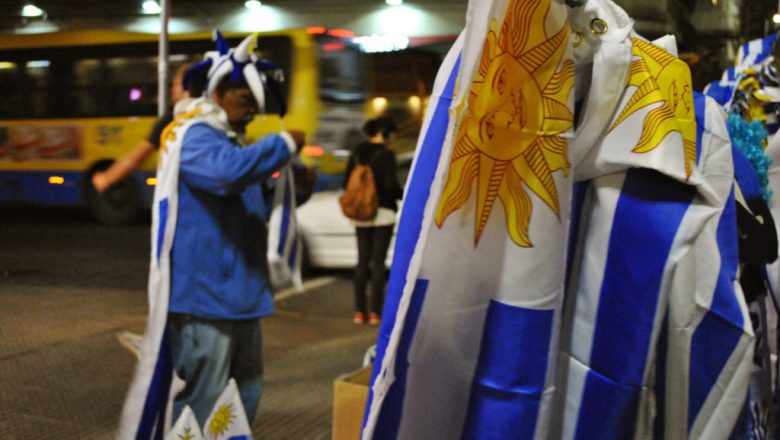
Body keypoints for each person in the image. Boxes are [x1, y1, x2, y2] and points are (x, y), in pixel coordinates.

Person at [163, 61, 305, 425]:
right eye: (244, 99)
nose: (253, 109)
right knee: (203, 401)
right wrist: (283, 143)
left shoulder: (234, 142)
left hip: (241, 296)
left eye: (255, 101)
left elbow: (260, 190)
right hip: (205, 299)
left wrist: (295, 179)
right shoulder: (193, 136)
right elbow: (226, 174)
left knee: (245, 396)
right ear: (217, 95)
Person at [91, 63, 197, 192]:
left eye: (176, 84)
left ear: (186, 89)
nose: (172, 89)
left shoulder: (174, 119)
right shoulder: (210, 113)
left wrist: (107, 178)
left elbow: (139, 155)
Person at [343, 116, 403, 325]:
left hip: (361, 215)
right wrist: (402, 194)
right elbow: (390, 186)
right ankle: (376, 312)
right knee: (378, 262)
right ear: (385, 133)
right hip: (383, 213)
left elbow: (346, 182)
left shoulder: (358, 153)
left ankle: (359, 312)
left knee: (362, 261)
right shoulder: (387, 155)